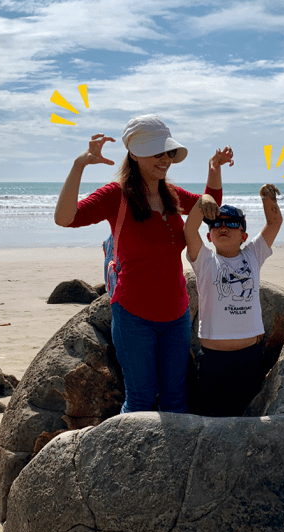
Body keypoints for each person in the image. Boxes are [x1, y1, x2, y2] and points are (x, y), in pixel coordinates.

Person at [54, 114, 233, 414]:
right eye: (156, 153)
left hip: (176, 316)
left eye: (167, 153)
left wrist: (213, 169)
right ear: (135, 154)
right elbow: (65, 218)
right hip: (133, 318)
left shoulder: (172, 195)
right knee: (141, 401)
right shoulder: (116, 196)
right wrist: (79, 165)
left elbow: (209, 206)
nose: (164, 160)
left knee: (176, 400)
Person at [184, 184, 283, 417]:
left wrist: (267, 198)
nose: (223, 227)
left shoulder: (252, 255)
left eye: (231, 223)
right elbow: (189, 230)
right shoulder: (205, 260)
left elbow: (274, 223)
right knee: (212, 419)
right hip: (212, 360)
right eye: (216, 223)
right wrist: (202, 202)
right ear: (209, 236)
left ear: (244, 235)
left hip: (249, 357)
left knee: (246, 418)